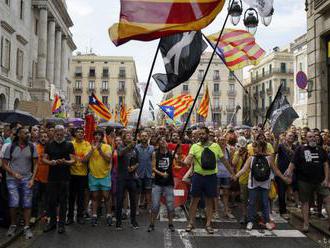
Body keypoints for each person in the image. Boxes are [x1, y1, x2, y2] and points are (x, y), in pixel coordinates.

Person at [182, 127, 235, 234]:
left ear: (207, 134)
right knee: (194, 201)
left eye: (202, 134)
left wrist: (232, 173)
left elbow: (224, 160)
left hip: (211, 177)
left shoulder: (215, 146)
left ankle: (208, 223)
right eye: (199, 134)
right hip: (198, 177)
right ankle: (191, 223)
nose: (201, 136)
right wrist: (186, 160)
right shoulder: (195, 146)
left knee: (209, 201)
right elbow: (189, 158)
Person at [234, 133, 290, 231]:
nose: (254, 149)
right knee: (251, 203)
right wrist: (235, 176)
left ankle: (266, 221)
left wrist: (284, 178)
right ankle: (250, 221)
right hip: (253, 184)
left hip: (265, 184)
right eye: (253, 147)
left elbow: (276, 170)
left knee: (265, 203)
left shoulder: (269, 158)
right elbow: (243, 170)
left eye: (256, 147)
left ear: (262, 148)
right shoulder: (251, 158)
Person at [286, 131, 330, 233]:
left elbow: (326, 165)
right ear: (305, 138)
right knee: (305, 203)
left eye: (314, 136)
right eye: (310, 137)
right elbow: (293, 163)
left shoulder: (321, 150)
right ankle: (306, 224)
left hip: (320, 181)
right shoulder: (300, 149)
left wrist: (327, 179)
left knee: (328, 200)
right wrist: (288, 175)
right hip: (304, 181)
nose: (313, 138)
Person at [2, 128, 38, 239]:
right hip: (12, 179)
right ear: (19, 134)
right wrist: (14, 173)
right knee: (14, 202)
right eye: (25, 133)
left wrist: (32, 179)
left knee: (27, 203)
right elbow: (4, 164)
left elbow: (36, 164)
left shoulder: (32, 147)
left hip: (27, 178)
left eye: (28, 133)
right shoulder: (10, 147)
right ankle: (13, 225)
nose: (28, 134)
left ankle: (26, 227)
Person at [42, 125, 75, 234]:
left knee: (63, 201)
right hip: (52, 177)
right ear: (54, 133)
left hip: (65, 178)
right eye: (57, 133)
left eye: (61, 134)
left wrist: (66, 162)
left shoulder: (69, 145)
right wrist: (50, 162)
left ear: (64, 133)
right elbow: (44, 158)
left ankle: (61, 224)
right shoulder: (49, 145)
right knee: (52, 201)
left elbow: (73, 160)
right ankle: (52, 223)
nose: (59, 135)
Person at [84, 130, 112, 227]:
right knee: (94, 197)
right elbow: (85, 160)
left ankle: (109, 215)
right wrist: (92, 149)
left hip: (105, 176)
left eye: (99, 135)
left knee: (106, 197)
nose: (97, 137)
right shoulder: (89, 147)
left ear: (102, 137)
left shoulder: (107, 146)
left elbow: (109, 159)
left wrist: (100, 150)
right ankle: (94, 215)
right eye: (95, 135)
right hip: (93, 176)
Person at [148, 136, 175, 232]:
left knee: (170, 205)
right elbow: (153, 168)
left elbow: (176, 163)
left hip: (169, 183)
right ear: (158, 143)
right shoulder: (155, 153)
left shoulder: (171, 153)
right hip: (158, 183)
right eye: (161, 141)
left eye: (164, 140)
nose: (163, 142)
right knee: (155, 205)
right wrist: (162, 174)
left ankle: (171, 224)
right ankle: (152, 224)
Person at [67, 128, 91, 225]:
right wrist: (80, 158)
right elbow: (69, 157)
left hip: (83, 175)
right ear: (75, 134)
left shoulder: (87, 144)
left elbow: (85, 159)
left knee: (81, 197)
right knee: (71, 197)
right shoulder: (70, 144)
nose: (80, 134)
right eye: (78, 132)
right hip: (71, 174)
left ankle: (80, 216)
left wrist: (76, 158)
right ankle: (70, 217)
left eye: (82, 132)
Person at [116, 132, 139, 230]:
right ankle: (118, 222)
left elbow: (138, 161)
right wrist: (130, 146)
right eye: (127, 136)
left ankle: (133, 221)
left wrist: (133, 167)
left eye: (130, 135)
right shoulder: (120, 146)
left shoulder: (135, 148)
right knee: (120, 200)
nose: (130, 136)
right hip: (122, 178)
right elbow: (120, 153)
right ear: (124, 138)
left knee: (133, 200)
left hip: (131, 178)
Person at [275, 131, 296, 219]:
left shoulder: (296, 147)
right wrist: (276, 140)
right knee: (282, 193)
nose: (291, 137)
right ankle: (282, 211)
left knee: (293, 192)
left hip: (293, 172)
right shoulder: (281, 146)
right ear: (286, 137)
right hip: (281, 173)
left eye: (293, 136)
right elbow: (275, 150)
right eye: (289, 135)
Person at [31, 131, 49, 223]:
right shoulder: (35, 148)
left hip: (48, 177)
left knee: (46, 198)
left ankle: (45, 215)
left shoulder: (50, 148)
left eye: (45, 136)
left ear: (48, 138)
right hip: (37, 177)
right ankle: (33, 215)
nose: (43, 138)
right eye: (41, 136)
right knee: (35, 197)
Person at [135, 131, 154, 212]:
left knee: (148, 191)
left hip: (149, 173)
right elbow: (134, 160)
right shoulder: (136, 147)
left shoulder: (152, 148)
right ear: (139, 137)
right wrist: (135, 172)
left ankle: (149, 208)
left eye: (145, 136)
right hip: (139, 173)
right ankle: (136, 209)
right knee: (137, 192)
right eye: (142, 136)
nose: (144, 137)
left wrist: (153, 172)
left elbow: (153, 160)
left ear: (148, 137)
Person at [232, 136, 249, 224]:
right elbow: (234, 164)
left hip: (252, 179)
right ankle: (244, 215)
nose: (242, 145)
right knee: (244, 198)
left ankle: (252, 214)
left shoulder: (250, 151)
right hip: (242, 178)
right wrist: (238, 154)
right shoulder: (237, 153)